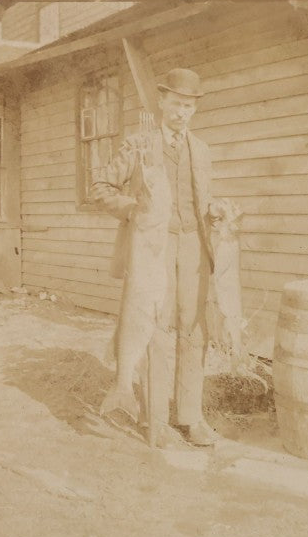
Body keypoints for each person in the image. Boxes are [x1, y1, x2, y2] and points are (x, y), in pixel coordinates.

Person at [91, 67, 223, 447]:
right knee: (156, 329)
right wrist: (133, 210)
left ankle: (191, 417)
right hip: (154, 246)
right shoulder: (138, 144)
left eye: (189, 107)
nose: (182, 112)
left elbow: (198, 199)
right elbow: (101, 187)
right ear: (162, 102)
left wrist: (215, 211)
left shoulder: (201, 150)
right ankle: (157, 420)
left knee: (194, 330)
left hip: (194, 247)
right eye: (177, 104)